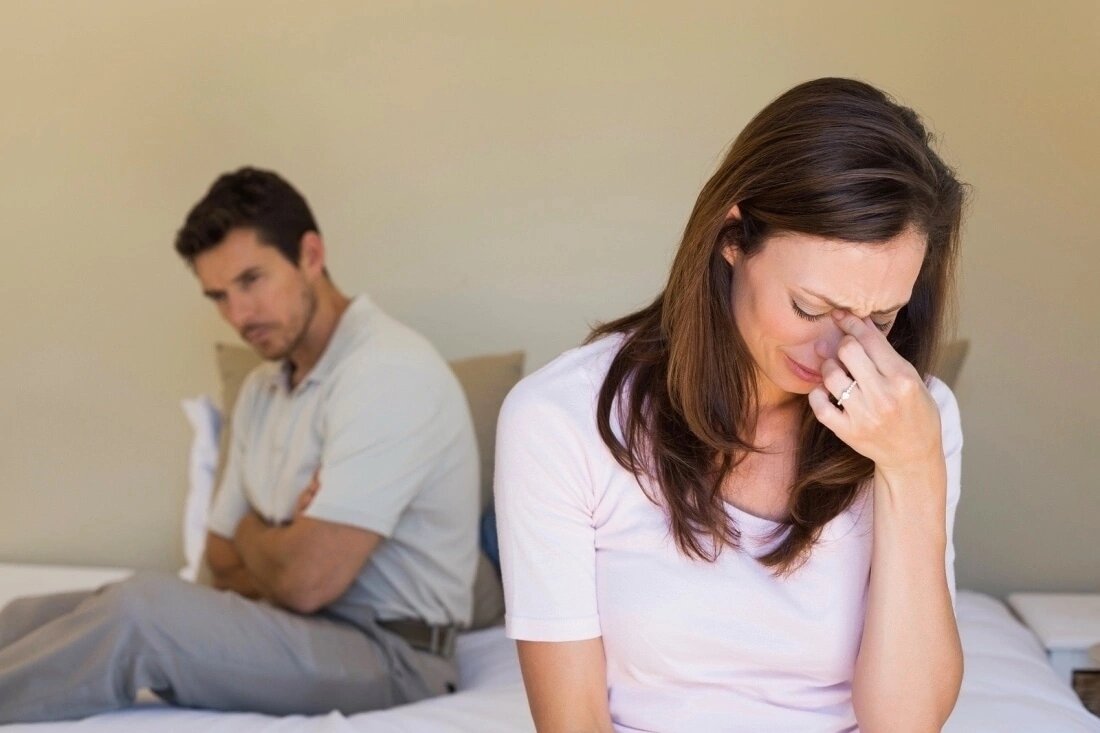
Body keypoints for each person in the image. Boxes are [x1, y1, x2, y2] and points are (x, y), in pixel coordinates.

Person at [495, 78, 967, 732]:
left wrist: (912, 468)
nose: (840, 349)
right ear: (734, 236)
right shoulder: (560, 418)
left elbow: (906, 724)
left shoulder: (913, 417)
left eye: (880, 318)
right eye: (809, 307)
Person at [0, 167, 479, 722]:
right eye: (219, 296)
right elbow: (220, 561)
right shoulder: (261, 388)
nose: (238, 315)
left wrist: (257, 533)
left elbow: (306, 582)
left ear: (311, 255)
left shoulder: (387, 371)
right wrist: (289, 541)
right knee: (33, 615)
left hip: (392, 654)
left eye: (252, 280)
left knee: (139, 615)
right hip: (292, 622)